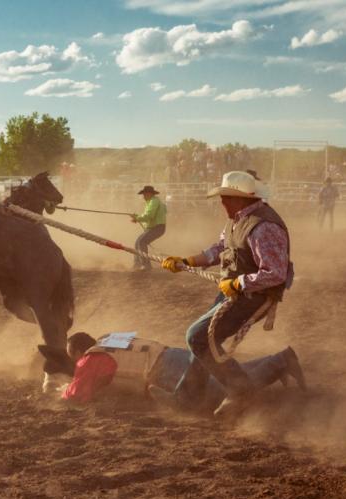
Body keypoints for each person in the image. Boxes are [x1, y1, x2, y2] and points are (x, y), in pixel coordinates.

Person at [151, 171, 295, 418]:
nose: (222, 203)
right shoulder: (238, 220)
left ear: (243, 199)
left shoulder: (264, 227)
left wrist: (238, 283)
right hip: (237, 293)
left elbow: (275, 273)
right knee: (203, 339)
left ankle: (241, 390)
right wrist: (187, 261)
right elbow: (220, 249)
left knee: (197, 337)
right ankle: (187, 397)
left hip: (254, 297)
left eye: (227, 198)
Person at [56, 332, 305, 412]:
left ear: (80, 350)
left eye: (74, 357)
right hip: (172, 355)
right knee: (229, 375)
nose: (77, 362)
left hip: (167, 372)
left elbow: (78, 393)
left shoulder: (90, 356)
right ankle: (278, 359)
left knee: (218, 395)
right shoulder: (110, 338)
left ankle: (280, 362)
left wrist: (61, 391)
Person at [131, 185, 167, 271]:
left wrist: (137, 218)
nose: (143, 196)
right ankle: (138, 264)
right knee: (138, 242)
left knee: (141, 242)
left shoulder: (153, 202)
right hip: (155, 227)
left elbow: (149, 215)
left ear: (149, 194)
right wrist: (137, 217)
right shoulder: (153, 201)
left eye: (144, 194)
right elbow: (148, 216)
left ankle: (145, 265)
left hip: (157, 227)